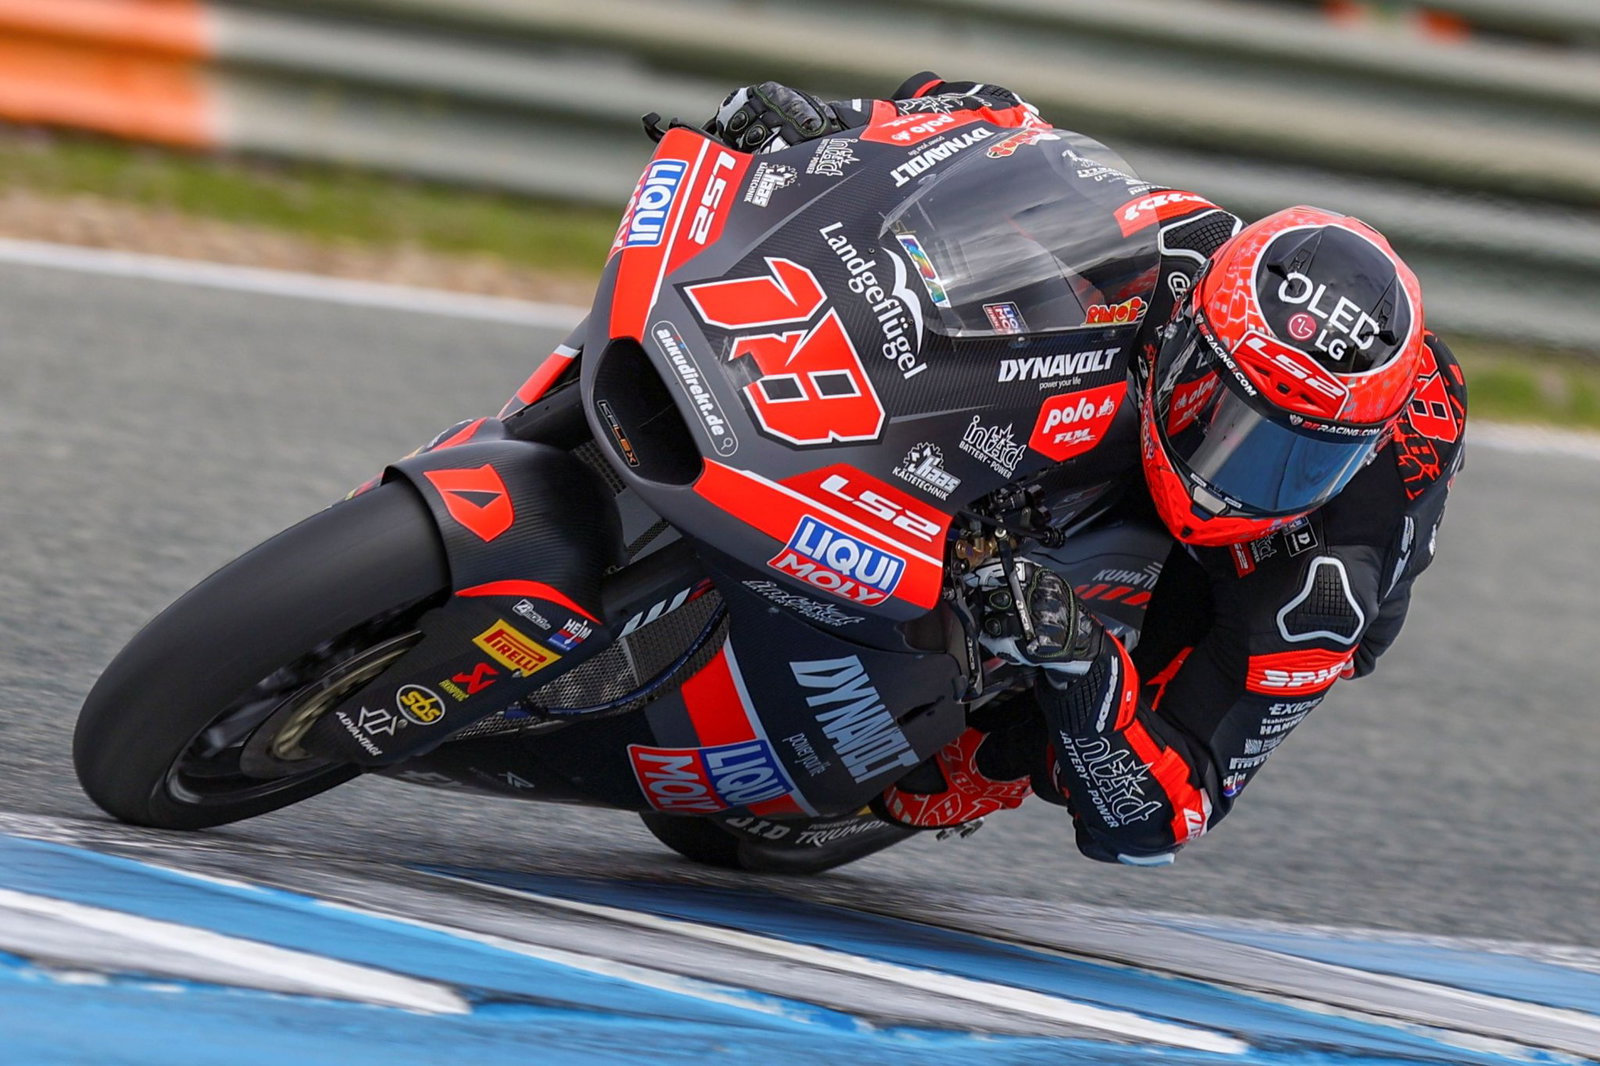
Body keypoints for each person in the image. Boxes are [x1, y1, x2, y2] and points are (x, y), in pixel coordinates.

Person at [705, 76, 1467, 865]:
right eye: (1224, 416)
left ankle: (979, 759)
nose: (1233, 472)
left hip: (1241, 573)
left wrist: (1083, 669)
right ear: (1197, 336)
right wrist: (837, 124)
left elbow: (1157, 825)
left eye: (1296, 460)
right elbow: (987, 134)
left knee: (1021, 759)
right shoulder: (1182, 249)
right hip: (1177, 371)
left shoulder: (1322, 590)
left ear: (1354, 449)